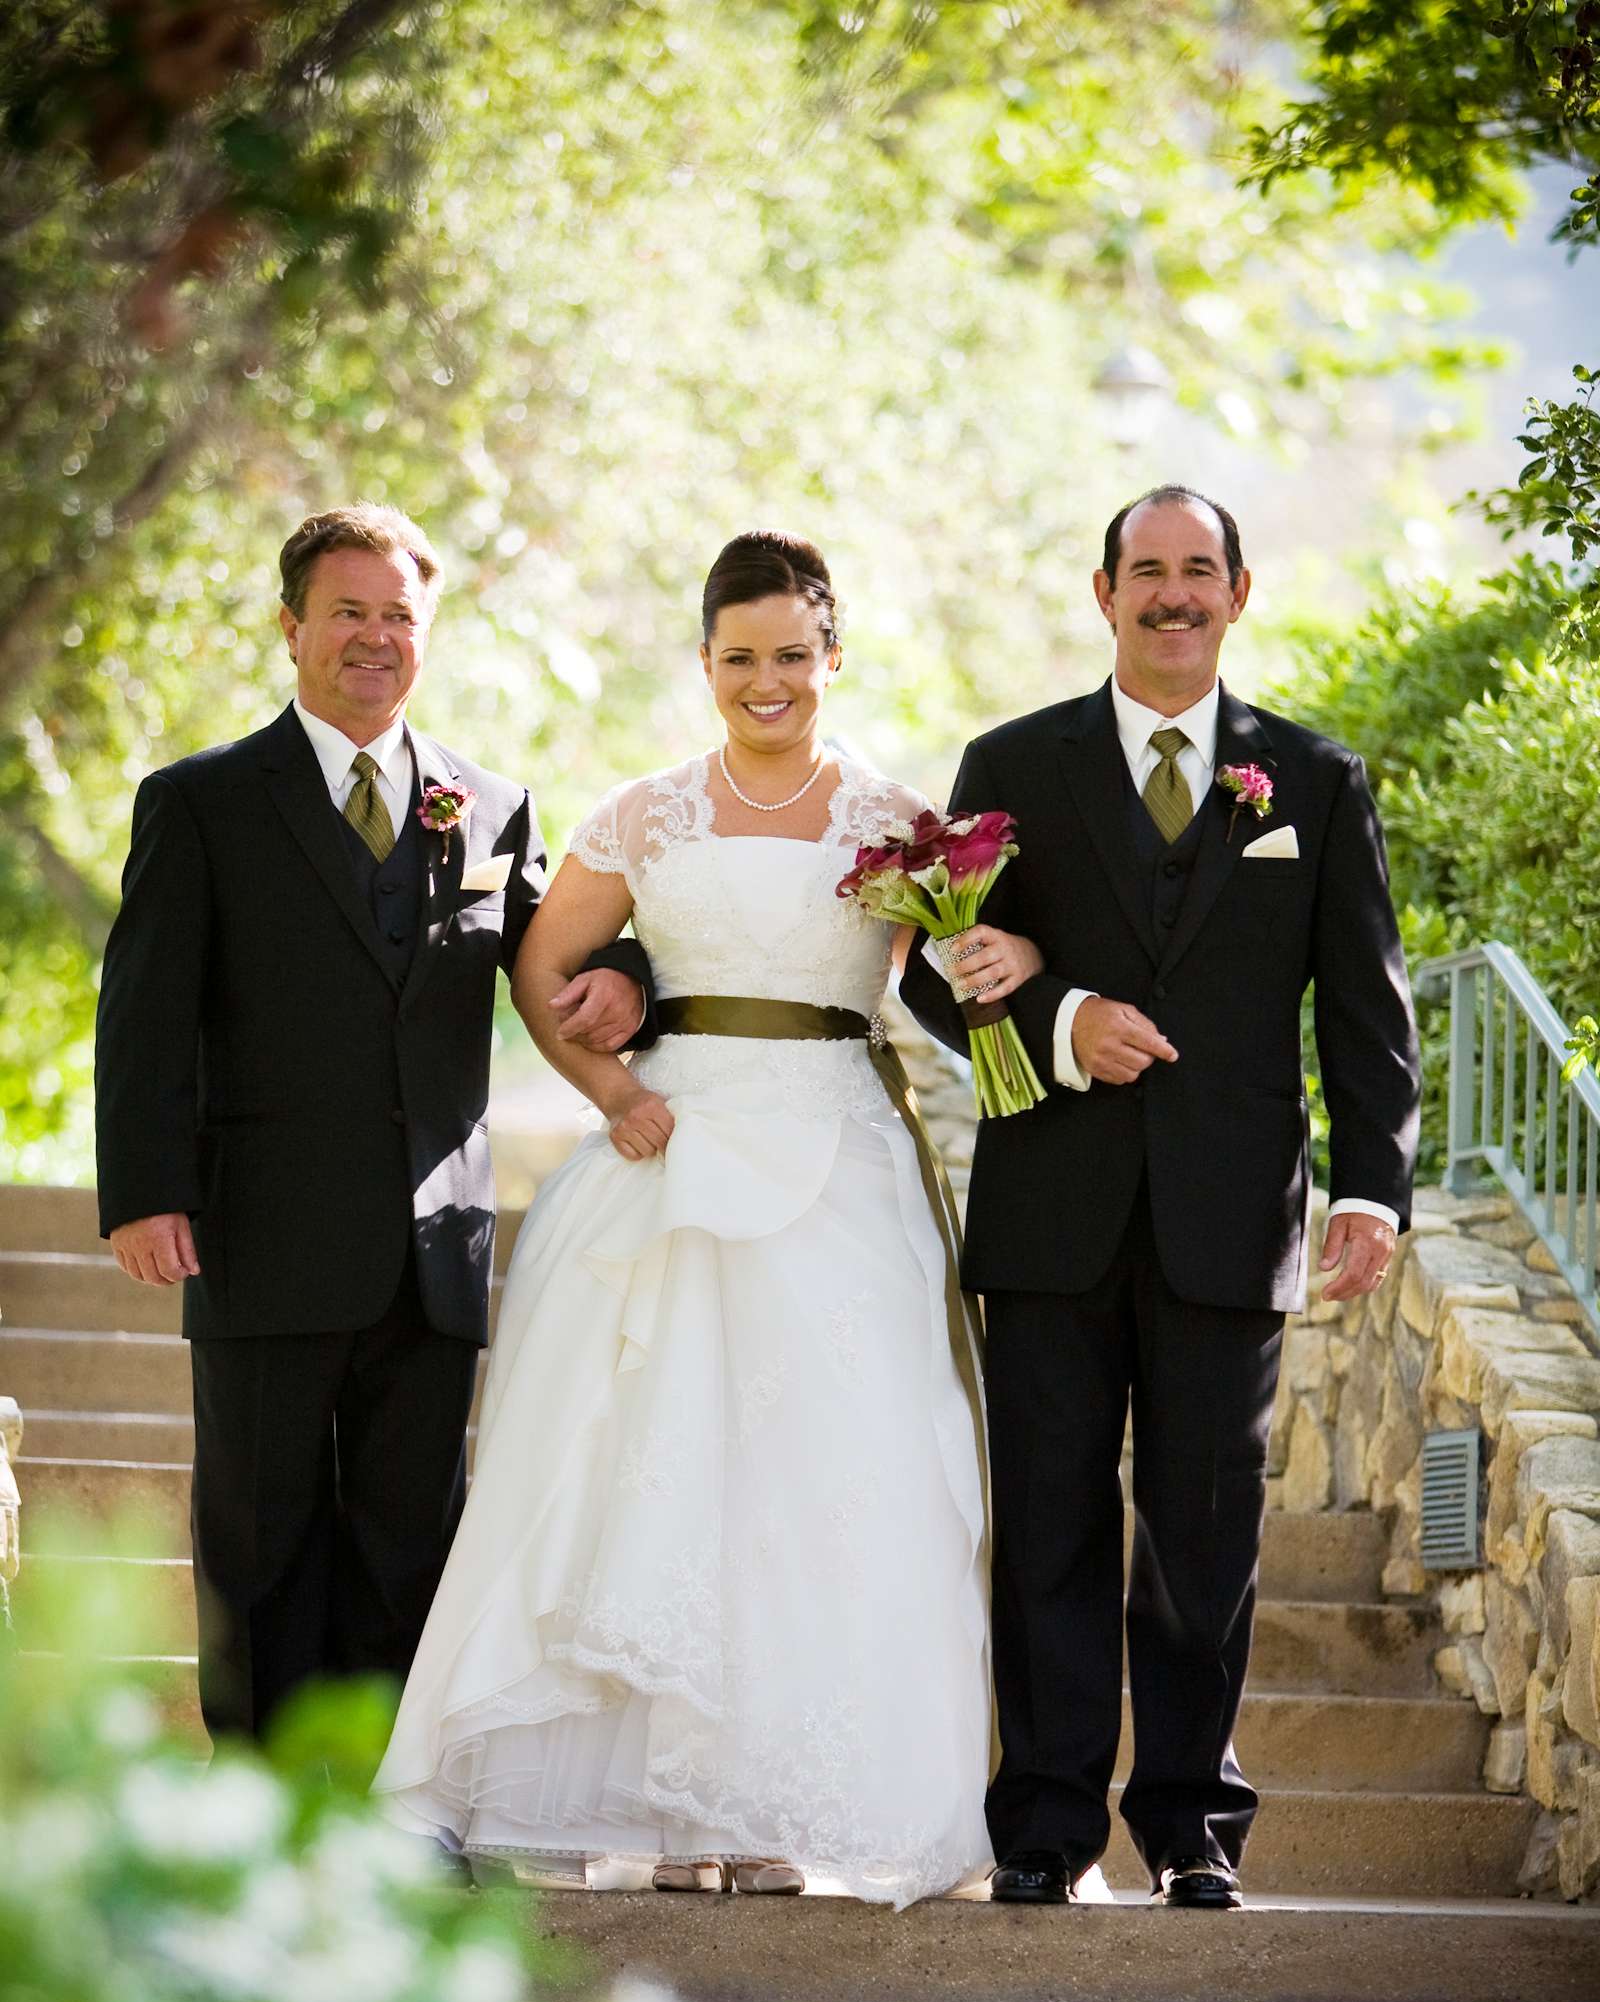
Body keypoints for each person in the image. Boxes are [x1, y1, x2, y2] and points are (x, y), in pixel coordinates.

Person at [374, 530, 992, 1906]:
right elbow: (540, 968)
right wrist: (607, 1087)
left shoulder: (895, 822)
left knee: (818, 1480)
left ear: (835, 656)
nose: (764, 682)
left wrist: (997, 972)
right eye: (737, 659)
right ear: (704, 663)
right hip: (676, 1149)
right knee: (653, 1467)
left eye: (790, 655)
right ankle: (662, 1804)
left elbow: (939, 983)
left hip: (838, 1155)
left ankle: (766, 1805)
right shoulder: (647, 811)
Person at [900, 484, 1420, 1909]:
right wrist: (1063, 1023)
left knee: (1206, 1538)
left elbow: (1365, 1011)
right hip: (1052, 1213)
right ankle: (1045, 1828)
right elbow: (934, 972)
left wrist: (1375, 1188)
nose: (1173, 593)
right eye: (1149, 570)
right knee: (1051, 1522)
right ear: (1103, 591)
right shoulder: (1011, 762)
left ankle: (1191, 1826)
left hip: (1231, 1215)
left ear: (1239, 595)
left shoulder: (1311, 782)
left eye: (1201, 571)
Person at [95, 504, 651, 1742]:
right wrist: (144, 1189)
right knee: (260, 1540)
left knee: (412, 1548)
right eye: (348, 611)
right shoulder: (202, 803)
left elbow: (559, 963)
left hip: (432, 1251)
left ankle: (394, 1809)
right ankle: (261, 1810)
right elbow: (142, 1011)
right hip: (258, 1237)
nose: (375, 637)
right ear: (292, 628)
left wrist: (630, 981)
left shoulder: (490, 808)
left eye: (399, 615)